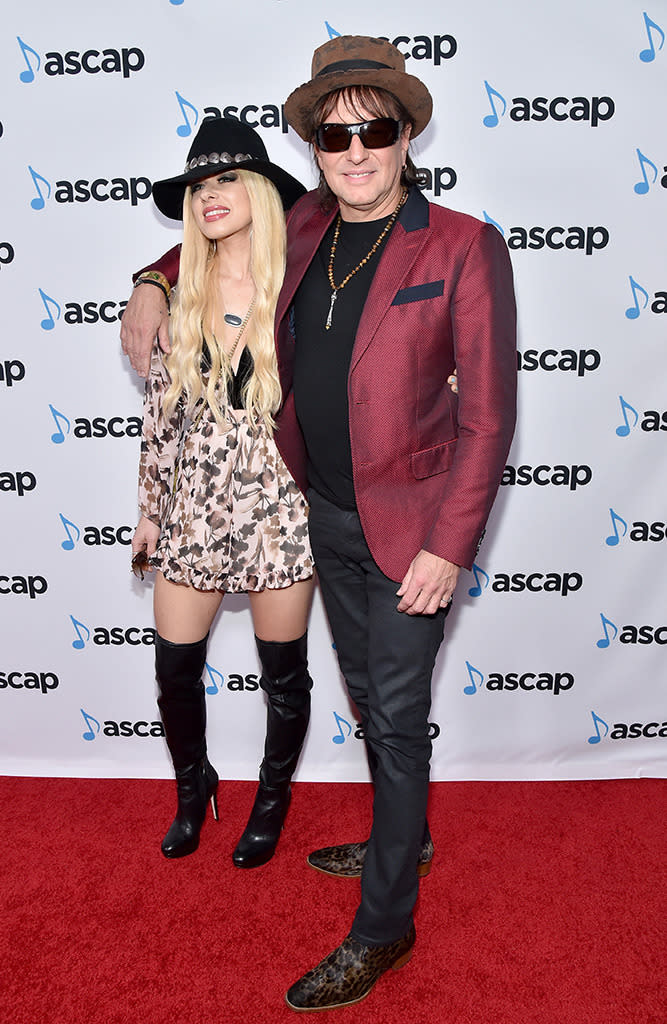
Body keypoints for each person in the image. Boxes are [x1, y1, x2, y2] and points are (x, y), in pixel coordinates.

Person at [121, 36, 517, 1013]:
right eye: (333, 134)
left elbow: (490, 416)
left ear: (405, 132)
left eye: (372, 129)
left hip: (413, 531)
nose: (354, 150)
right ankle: (404, 831)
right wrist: (150, 279)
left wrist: (447, 546)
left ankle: (385, 923)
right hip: (320, 517)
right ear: (313, 146)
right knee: (373, 700)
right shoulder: (302, 224)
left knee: (390, 712)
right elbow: (211, 231)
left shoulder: (463, 244)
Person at [130, 117, 316, 871]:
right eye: (200, 186)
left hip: (280, 507)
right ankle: (191, 787)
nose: (210, 195)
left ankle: (271, 801)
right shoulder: (182, 293)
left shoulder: (301, 281)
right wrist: (148, 510)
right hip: (193, 503)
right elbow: (159, 422)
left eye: (227, 180)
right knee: (175, 666)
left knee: (283, 675)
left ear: (263, 191)